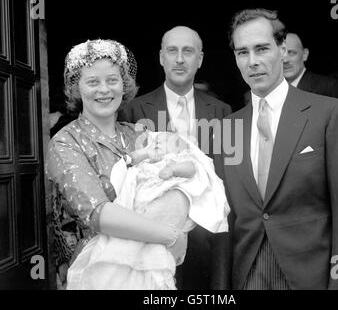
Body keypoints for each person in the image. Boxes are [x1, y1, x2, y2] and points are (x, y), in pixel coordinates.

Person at [212, 8, 338, 290]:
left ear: (282, 49)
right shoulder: (227, 128)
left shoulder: (328, 114)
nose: (253, 61)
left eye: (262, 49)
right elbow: (225, 218)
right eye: (242, 52)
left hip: (312, 277)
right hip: (246, 276)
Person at [46, 39, 190, 290]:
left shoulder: (139, 134)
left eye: (112, 80)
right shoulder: (66, 141)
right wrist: (170, 237)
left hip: (151, 267)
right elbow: (99, 214)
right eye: (93, 82)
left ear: (124, 85)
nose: (104, 89)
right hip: (99, 270)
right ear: (76, 88)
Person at [118, 26, 232, 289]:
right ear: (161, 57)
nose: (180, 59)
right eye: (172, 51)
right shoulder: (134, 110)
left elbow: (226, 176)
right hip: (152, 233)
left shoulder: (222, 111)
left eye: (188, 51)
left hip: (207, 234)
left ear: (200, 59)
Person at [66, 131, 229, 289]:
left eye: (166, 140)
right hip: (135, 212)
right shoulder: (148, 162)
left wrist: (173, 170)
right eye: (157, 140)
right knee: (116, 267)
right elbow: (129, 161)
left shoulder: (178, 159)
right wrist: (145, 153)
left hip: (157, 210)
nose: (158, 141)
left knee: (146, 268)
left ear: (180, 148)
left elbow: (191, 168)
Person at [283, 32, 338, 99]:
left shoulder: (329, 88)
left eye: (291, 53)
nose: (285, 60)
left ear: (305, 55)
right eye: (281, 54)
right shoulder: (271, 89)